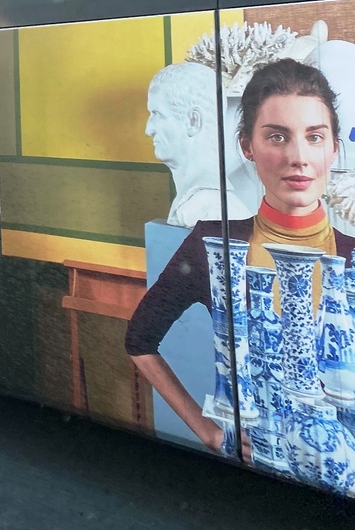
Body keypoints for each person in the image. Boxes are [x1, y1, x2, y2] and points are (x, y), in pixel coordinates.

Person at [126, 58, 355, 452]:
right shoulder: (210, 245)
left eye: (314, 137)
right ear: (248, 146)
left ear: (334, 149)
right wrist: (209, 432)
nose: (298, 156)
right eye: (277, 137)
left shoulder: (351, 255)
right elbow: (139, 339)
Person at [145, 62, 252, 226]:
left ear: (193, 121)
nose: (149, 129)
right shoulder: (197, 204)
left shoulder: (211, 210)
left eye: (157, 114)